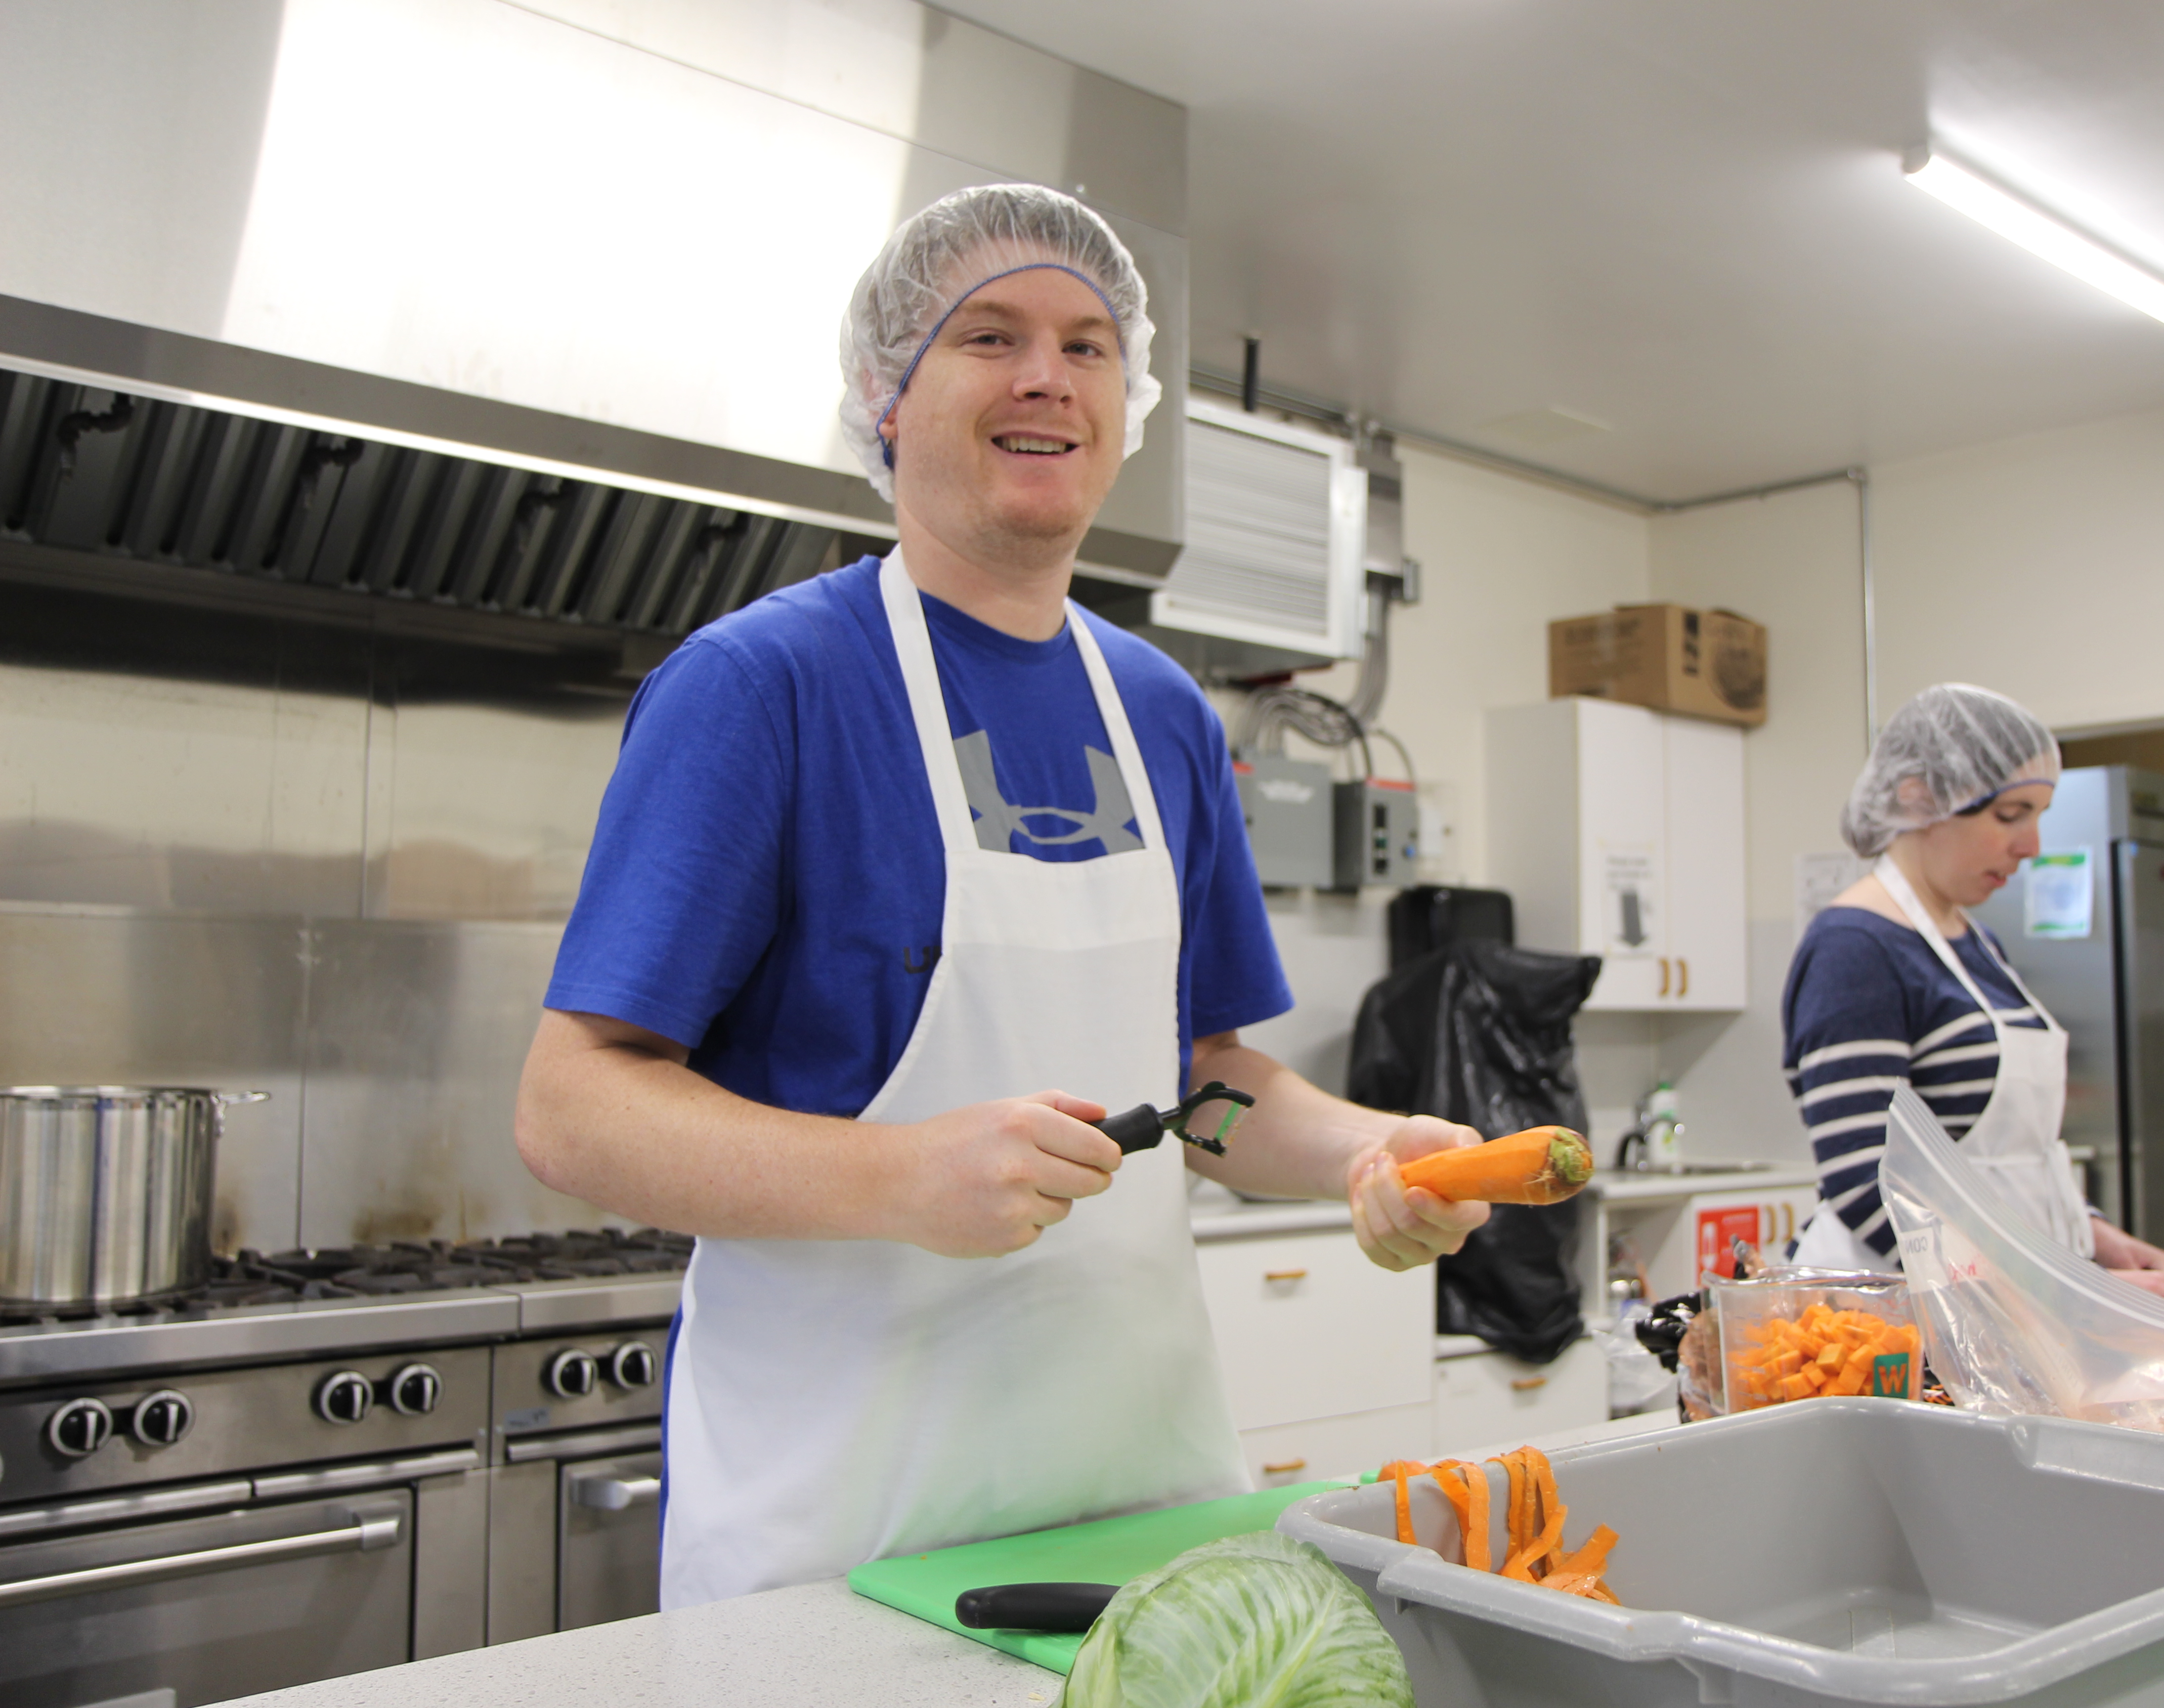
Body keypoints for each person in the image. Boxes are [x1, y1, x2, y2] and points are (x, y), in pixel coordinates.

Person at [514, 183, 1490, 1609]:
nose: (1048, 376)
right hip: (841, 1541)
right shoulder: (763, 688)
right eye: (990, 335)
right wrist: (897, 1175)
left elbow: (1204, 1086)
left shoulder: (1159, 712)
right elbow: (569, 1105)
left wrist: (1363, 1149)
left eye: (1090, 345)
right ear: (886, 396)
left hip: (1136, 1511)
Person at [1780, 683, 2164, 1305]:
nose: (2031, 846)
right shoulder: (1855, 948)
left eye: (2038, 817)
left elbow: (2007, 1158)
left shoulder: (1978, 943)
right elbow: (1869, 1183)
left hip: (1998, 1312)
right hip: (1894, 1315)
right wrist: (2060, 1288)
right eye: (2009, 815)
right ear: (1918, 798)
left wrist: (2091, 1231)